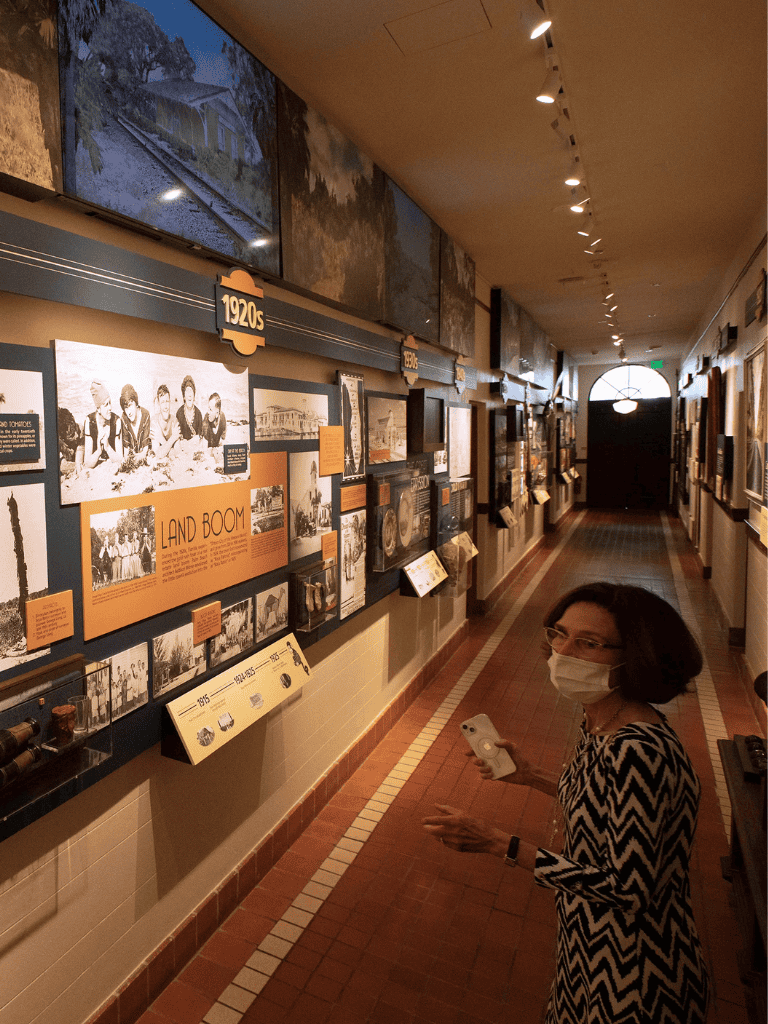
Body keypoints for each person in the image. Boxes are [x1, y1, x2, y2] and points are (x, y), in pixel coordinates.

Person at [423, 582, 709, 1024]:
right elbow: (604, 805)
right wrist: (532, 776)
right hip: (588, 942)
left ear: (635, 655)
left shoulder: (640, 751)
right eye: (558, 634)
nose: (564, 651)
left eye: (589, 643)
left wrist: (501, 844)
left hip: (635, 970)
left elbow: (626, 889)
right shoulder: (601, 719)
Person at [75, 381, 123, 473]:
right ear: (98, 409)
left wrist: (108, 447)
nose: (110, 408)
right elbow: (88, 464)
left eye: (110, 403)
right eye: (106, 405)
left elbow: (120, 459)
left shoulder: (116, 421)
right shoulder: (90, 422)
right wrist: (98, 451)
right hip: (84, 451)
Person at [150, 384, 181, 458]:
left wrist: (161, 439)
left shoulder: (174, 421)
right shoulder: (154, 422)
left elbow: (178, 453)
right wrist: (173, 439)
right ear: (158, 404)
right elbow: (158, 454)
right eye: (162, 402)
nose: (166, 406)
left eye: (167, 401)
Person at [119, 384, 151, 455]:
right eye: (126, 408)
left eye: (130, 405)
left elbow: (145, 450)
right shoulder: (124, 418)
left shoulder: (145, 415)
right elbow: (126, 450)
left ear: (136, 403)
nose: (129, 412)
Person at [176, 374, 203, 440]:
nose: (189, 394)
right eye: (187, 391)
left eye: (191, 391)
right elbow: (177, 435)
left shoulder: (198, 414)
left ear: (194, 396)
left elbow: (201, 435)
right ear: (184, 397)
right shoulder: (179, 413)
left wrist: (197, 438)